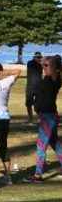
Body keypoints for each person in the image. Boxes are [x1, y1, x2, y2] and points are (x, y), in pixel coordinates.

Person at [24, 55, 62, 183]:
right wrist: (43, 62)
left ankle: (38, 175)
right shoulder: (47, 78)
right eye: (43, 66)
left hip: (48, 116)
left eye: (46, 66)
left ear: (56, 69)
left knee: (41, 145)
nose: (44, 68)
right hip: (46, 115)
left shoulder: (54, 79)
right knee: (55, 143)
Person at [26, 52, 43, 124]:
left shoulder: (41, 64)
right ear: (34, 57)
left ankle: (40, 118)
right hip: (30, 86)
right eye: (37, 57)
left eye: (40, 57)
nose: (39, 58)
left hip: (39, 87)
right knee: (28, 104)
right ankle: (30, 119)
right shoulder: (30, 63)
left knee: (38, 104)